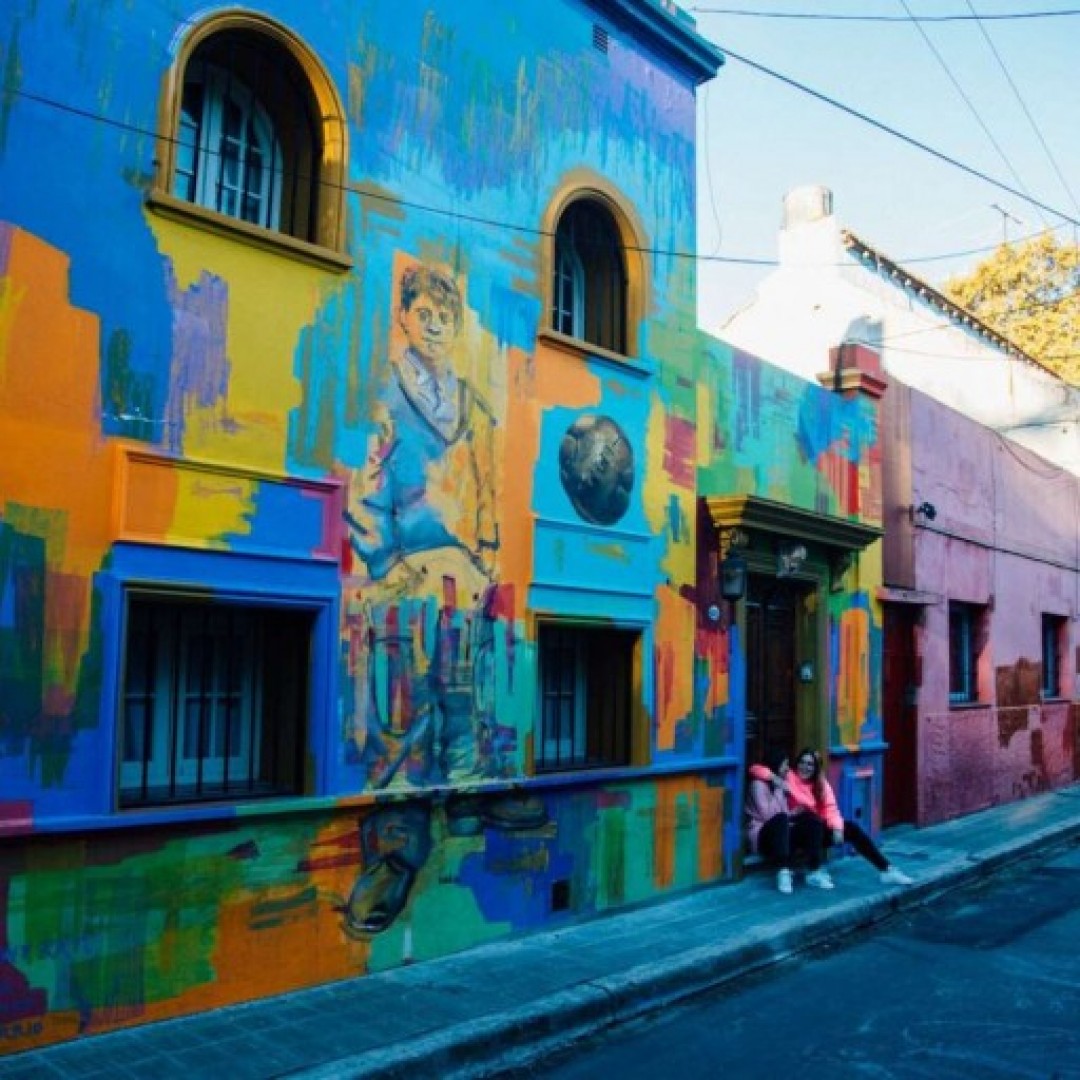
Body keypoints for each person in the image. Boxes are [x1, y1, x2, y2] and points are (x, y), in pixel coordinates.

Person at [753, 748, 913, 888]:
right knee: (810, 818)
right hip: (796, 830)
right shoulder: (789, 776)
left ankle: (886, 869)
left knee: (850, 828)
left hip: (813, 830)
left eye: (810, 764)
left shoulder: (820, 784)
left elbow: (831, 808)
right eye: (802, 762)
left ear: (816, 768)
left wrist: (837, 828)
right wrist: (773, 777)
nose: (805, 767)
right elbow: (755, 769)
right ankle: (813, 871)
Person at [746, 748, 831, 894]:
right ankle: (783, 871)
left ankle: (814, 870)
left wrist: (793, 813)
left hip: (780, 832)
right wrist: (780, 789)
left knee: (811, 819)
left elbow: (783, 814)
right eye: (785, 765)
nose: (787, 768)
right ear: (775, 765)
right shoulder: (758, 785)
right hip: (761, 836)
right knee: (781, 819)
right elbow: (768, 816)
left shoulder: (781, 784)